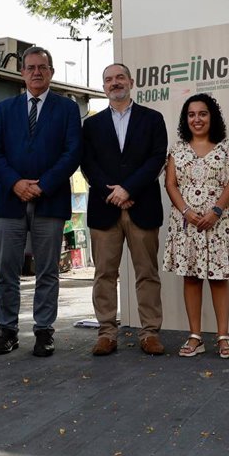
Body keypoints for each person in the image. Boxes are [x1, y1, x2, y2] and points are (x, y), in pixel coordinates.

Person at [0, 46, 82, 357]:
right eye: (31, 67)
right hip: (10, 199)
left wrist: (43, 185)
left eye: (42, 67)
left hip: (50, 200)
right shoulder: (4, 109)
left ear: (51, 72)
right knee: (7, 271)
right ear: (22, 73)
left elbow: (72, 153)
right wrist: (15, 183)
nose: (37, 72)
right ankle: (7, 331)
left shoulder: (67, 109)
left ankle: (44, 331)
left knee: (48, 271)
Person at [80, 64, 169, 356]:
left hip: (142, 206)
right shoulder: (91, 125)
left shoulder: (152, 119)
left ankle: (150, 333)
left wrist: (128, 189)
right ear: (104, 86)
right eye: (109, 79)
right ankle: (106, 333)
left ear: (131, 82)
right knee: (104, 274)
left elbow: (156, 158)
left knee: (147, 274)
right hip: (105, 208)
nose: (115, 83)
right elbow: (88, 163)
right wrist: (114, 193)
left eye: (120, 78)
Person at [162, 93, 229, 360]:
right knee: (191, 277)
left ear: (212, 116)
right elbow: (170, 184)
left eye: (202, 113)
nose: (197, 119)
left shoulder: (228, 148)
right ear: (185, 119)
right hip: (187, 224)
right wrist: (187, 212)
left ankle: (223, 337)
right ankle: (195, 337)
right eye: (191, 114)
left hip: (220, 224)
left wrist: (216, 211)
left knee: (219, 278)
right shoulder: (177, 150)